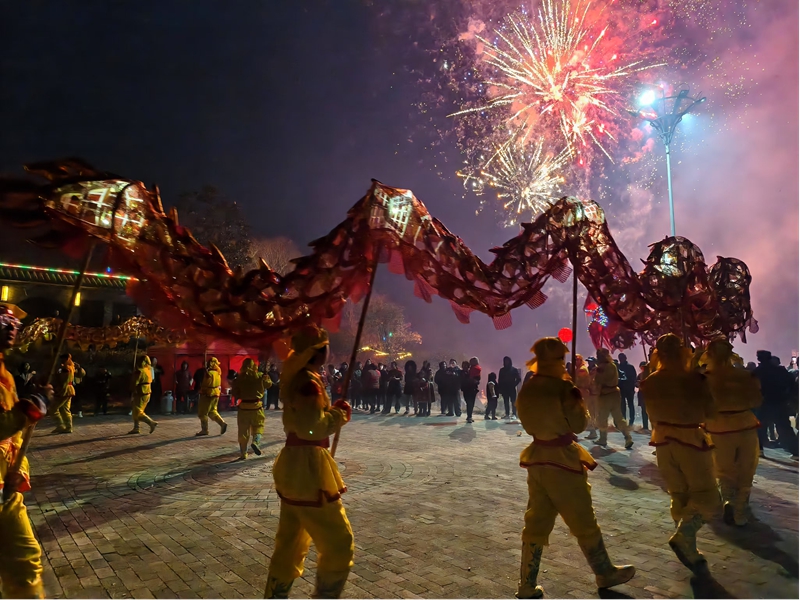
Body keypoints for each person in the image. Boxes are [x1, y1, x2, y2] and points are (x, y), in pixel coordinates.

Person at [515, 337, 635, 598]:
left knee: (536, 520)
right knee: (583, 518)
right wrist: (577, 400)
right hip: (563, 460)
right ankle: (604, 572)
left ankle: (526, 584)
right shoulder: (563, 388)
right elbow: (579, 425)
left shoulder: (529, 387)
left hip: (537, 458)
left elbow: (525, 422)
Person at [264, 325, 353, 599]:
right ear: (319, 351)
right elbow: (311, 428)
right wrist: (339, 415)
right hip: (309, 471)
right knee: (339, 543)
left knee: (290, 544)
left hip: (296, 468)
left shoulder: (301, 378)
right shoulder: (307, 384)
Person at [640, 334, 719, 577]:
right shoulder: (693, 379)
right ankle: (685, 536)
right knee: (708, 496)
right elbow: (710, 412)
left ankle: (689, 549)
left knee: (679, 495)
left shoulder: (650, 380)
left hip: (663, 441)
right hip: (689, 440)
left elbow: (650, 413)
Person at [0, 305, 51, 598]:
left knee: (26, 558)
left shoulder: (5, 374)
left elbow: (14, 436)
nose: (12, 326)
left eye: (15, 322)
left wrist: (20, 468)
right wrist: (31, 407)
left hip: (4, 489)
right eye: (3, 319)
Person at [701, 339, 762, 526]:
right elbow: (757, 400)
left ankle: (728, 500)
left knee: (724, 468)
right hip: (744, 424)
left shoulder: (704, 378)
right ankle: (740, 510)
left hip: (718, 427)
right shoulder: (744, 375)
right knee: (746, 467)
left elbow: (699, 405)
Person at [754, 350, 798, 457]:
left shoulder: (757, 372)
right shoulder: (780, 371)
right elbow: (791, 383)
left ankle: (759, 449)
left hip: (763, 402)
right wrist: (788, 397)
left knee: (759, 427)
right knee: (785, 427)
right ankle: (796, 451)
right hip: (779, 402)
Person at [591, 349, 633, 449]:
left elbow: (598, 381)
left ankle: (603, 438)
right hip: (615, 394)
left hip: (605, 395)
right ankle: (628, 437)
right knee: (618, 417)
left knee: (602, 417)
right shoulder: (613, 365)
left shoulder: (601, 368)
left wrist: (595, 376)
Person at [231, 358, 272, 460]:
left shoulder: (239, 378)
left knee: (243, 431)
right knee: (258, 426)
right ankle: (256, 442)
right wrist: (266, 377)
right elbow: (269, 385)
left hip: (244, 408)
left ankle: (243, 453)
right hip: (256, 407)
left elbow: (235, 393)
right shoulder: (259, 376)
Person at [196, 357, 228, 436]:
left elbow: (205, 384)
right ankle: (222, 423)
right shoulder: (218, 373)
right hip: (216, 394)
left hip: (208, 394)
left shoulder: (209, 373)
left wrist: (202, 390)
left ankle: (204, 430)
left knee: (203, 412)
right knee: (212, 411)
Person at [128, 356, 158, 435]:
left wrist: (134, 376)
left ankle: (151, 422)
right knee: (136, 410)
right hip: (147, 392)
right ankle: (136, 427)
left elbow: (135, 382)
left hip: (140, 392)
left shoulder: (139, 371)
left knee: (138, 411)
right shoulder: (149, 370)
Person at [51, 354, 76, 434]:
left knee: (53, 408)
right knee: (64, 409)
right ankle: (68, 427)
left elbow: (63, 380)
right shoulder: (71, 367)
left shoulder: (66, 368)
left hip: (65, 391)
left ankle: (60, 425)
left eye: (64, 359)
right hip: (68, 390)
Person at [573, 355, 595, 439]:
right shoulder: (578, 368)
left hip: (582, 392)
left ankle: (592, 430)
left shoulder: (582, 369)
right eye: (575, 360)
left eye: (577, 360)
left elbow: (579, 381)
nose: (575, 361)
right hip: (580, 391)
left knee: (585, 411)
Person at [617, 354, 637, 427]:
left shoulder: (630, 367)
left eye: (622, 358)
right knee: (622, 406)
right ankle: (624, 420)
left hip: (629, 389)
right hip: (621, 389)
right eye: (620, 358)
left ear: (625, 358)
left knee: (630, 405)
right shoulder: (618, 367)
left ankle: (631, 422)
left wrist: (632, 388)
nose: (621, 359)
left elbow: (634, 378)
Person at [462, 357, 481, 423]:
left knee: (470, 403)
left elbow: (477, 380)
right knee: (469, 403)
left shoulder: (473, 370)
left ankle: (469, 416)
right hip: (468, 389)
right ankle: (469, 416)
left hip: (471, 389)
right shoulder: (472, 370)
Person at [636, 361, 649, 431]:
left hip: (649, 395)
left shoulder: (650, 374)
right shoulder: (640, 375)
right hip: (642, 394)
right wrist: (638, 384)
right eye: (641, 367)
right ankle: (645, 426)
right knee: (644, 411)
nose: (642, 368)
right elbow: (635, 383)